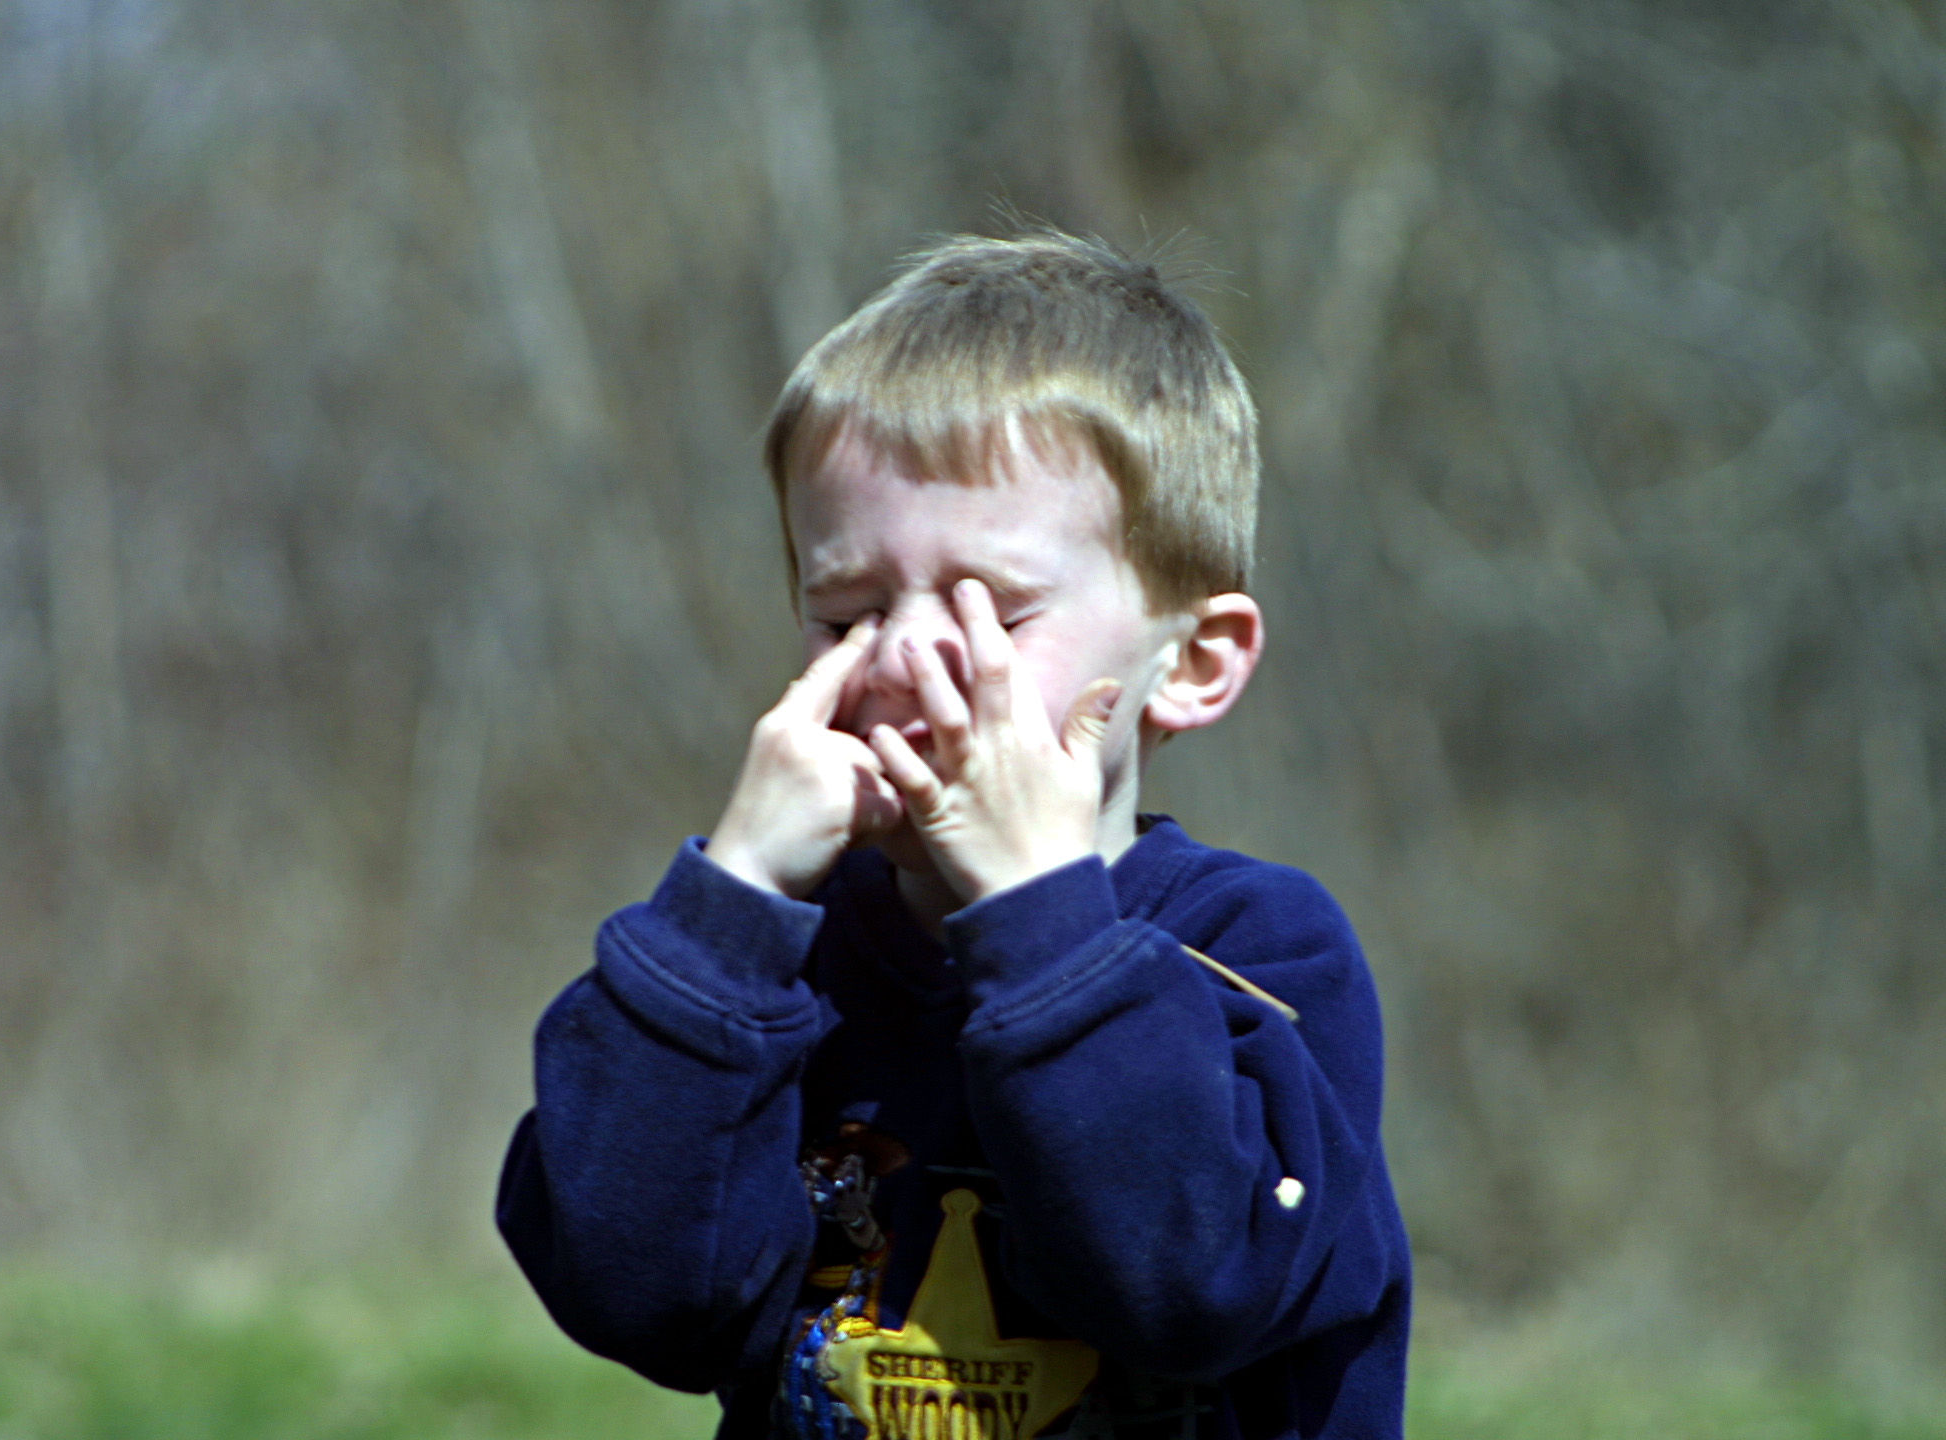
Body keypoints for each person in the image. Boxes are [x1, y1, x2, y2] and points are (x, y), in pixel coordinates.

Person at [496, 231, 1410, 1440]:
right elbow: (642, 1300)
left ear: (1191, 662)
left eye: (997, 612)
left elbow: (1193, 1284)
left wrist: (1042, 925)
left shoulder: (1260, 948)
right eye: (847, 614)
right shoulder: (775, 970)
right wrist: (733, 906)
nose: (905, 657)